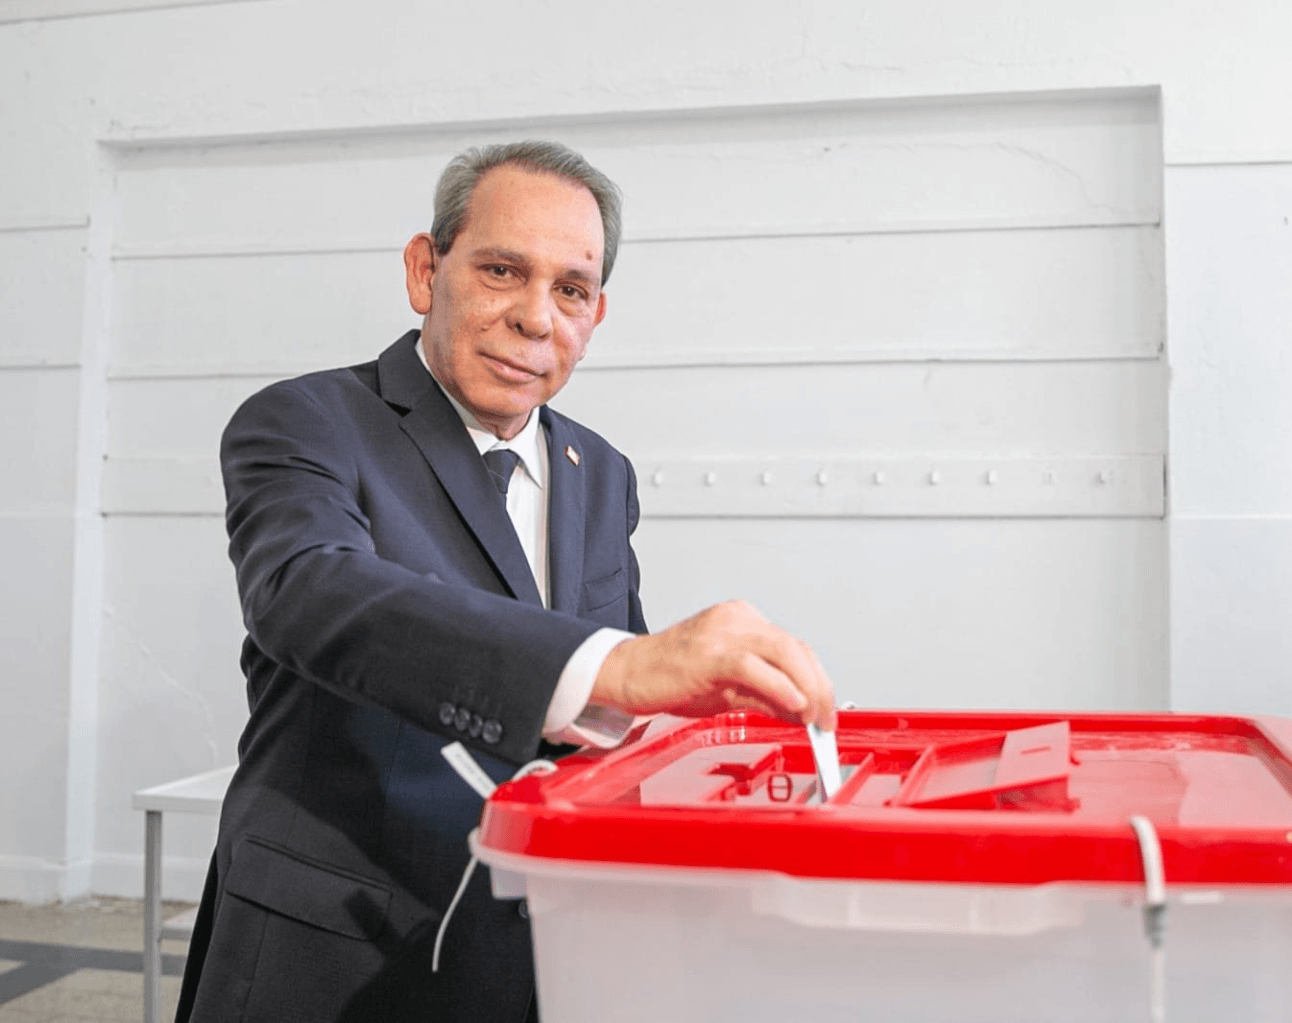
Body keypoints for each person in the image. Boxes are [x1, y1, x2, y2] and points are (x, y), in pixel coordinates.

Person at [174, 141, 835, 1023]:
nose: (536, 317)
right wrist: (620, 669)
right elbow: (310, 592)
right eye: (501, 269)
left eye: (570, 289)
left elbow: (603, 715)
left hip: (534, 951)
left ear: (596, 314)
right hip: (330, 952)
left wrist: (698, 739)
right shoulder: (308, 420)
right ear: (425, 269)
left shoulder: (602, 471)